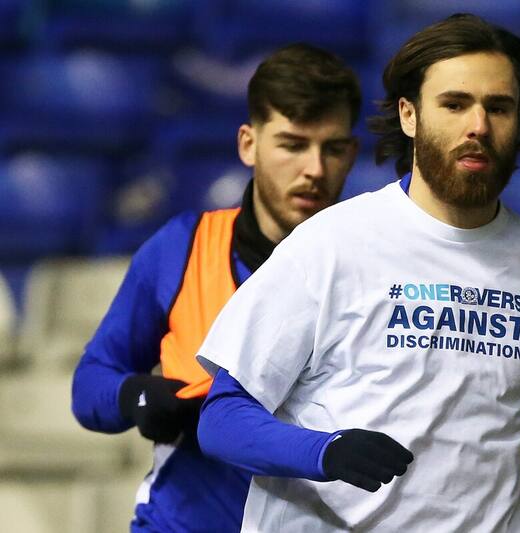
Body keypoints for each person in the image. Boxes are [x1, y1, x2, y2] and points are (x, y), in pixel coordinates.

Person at [197, 13, 520, 533]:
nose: (478, 125)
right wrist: (325, 451)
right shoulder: (331, 244)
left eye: (498, 107)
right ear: (409, 115)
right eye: (454, 104)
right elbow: (222, 419)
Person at [71, 43, 361, 533]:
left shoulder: (377, 263)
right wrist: (138, 395)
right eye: (292, 144)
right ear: (248, 144)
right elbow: (91, 382)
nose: (314, 168)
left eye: (332, 148)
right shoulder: (182, 248)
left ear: (351, 153)